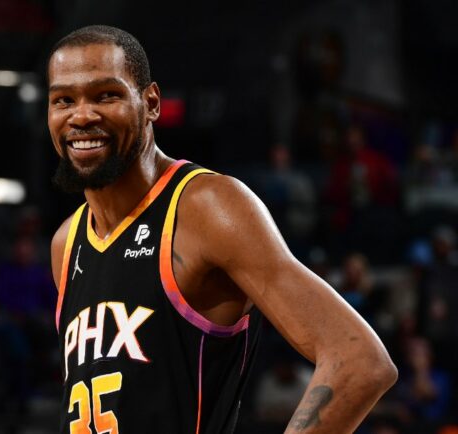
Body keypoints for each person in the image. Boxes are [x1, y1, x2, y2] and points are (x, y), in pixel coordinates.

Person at [48, 25, 396, 434]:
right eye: (64, 100)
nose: (82, 115)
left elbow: (358, 360)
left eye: (106, 95)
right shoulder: (66, 244)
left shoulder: (206, 207)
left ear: (152, 102)